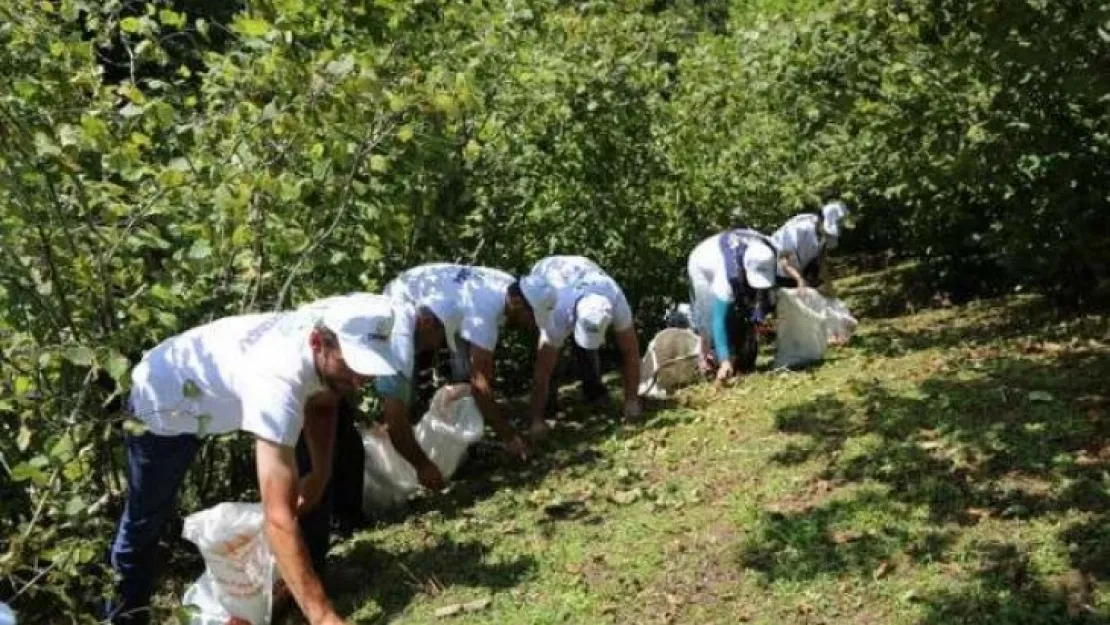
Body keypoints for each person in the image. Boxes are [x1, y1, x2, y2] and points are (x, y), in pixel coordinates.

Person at [106, 294, 403, 625]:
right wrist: (325, 619)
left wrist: (319, 473)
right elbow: (278, 517)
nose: (362, 379)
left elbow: (323, 402)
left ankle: (304, 589)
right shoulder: (277, 380)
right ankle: (124, 618)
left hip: (215, 394)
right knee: (144, 522)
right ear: (318, 343)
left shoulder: (332, 322)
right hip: (163, 407)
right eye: (354, 365)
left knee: (310, 481)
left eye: (370, 365)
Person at [384, 263, 557, 461]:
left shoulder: (509, 286)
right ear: (517, 303)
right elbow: (480, 386)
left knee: (463, 377)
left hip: (441, 303)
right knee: (402, 386)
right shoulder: (484, 314)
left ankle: (462, 442)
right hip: (406, 300)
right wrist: (510, 437)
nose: (533, 324)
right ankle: (407, 452)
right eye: (532, 317)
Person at [525, 255, 642, 440]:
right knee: (549, 361)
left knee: (587, 352)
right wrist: (535, 420)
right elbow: (542, 372)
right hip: (546, 274)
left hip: (583, 273)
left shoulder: (615, 297)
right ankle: (546, 410)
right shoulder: (556, 313)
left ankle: (594, 393)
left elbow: (631, 352)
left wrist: (632, 401)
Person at [687, 229, 778, 383]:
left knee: (748, 305)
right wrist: (724, 361)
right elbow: (718, 319)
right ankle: (709, 357)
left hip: (735, 247)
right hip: (702, 262)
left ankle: (740, 351)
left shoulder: (769, 252)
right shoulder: (726, 274)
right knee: (708, 319)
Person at [772, 189, 850, 291]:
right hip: (779, 271)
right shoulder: (797, 229)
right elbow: (784, 262)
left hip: (802, 268)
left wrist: (829, 287)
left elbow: (822, 262)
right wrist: (799, 280)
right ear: (820, 219)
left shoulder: (827, 235)